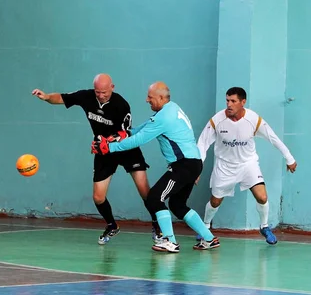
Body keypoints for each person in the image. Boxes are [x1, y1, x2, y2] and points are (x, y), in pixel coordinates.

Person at [32, 74, 162, 245]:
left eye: (104, 92)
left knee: (145, 191)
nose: (101, 95)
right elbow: (63, 98)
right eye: (98, 92)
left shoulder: (121, 104)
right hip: (103, 152)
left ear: (112, 87)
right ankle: (112, 225)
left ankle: (157, 225)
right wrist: (47, 97)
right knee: (98, 197)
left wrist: (106, 143)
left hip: (126, 148)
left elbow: (124, 134)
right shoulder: (86, 96)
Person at [92, 81, 220, 253]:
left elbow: (141, 140)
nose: (146, 100)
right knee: (177, 205)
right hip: (192, 163)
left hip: (184, 165)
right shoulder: (171, 109)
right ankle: (209, 239)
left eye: (150, 97)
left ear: (161, 97)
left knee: (154, 198)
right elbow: (144, 128)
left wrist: (109, 148)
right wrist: (122, 134)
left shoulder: (164, 117)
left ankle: (169, 241)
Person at [196, 87, 297, 245]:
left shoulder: (254, 120)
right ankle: (205, 226)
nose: (229, 104)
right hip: (225, 166)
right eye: (227, 101)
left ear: (243, 102)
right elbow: (202, 144)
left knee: (262, 197)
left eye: (233, 101)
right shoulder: (217, 120)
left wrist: (289, 158)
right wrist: (197, 167)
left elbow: (273, 138)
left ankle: (264, 226)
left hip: (248, 165)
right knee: (215, 202)